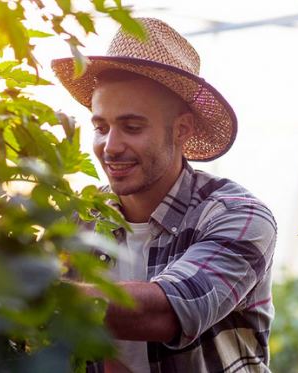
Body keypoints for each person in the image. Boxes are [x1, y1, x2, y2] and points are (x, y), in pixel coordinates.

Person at [52, 18, 277, 373]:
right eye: (101, 127)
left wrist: (23, 288)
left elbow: (166, 312)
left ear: (182, 129)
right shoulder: (79, 218)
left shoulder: (238, 215)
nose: (110, 147)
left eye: (132, 127)